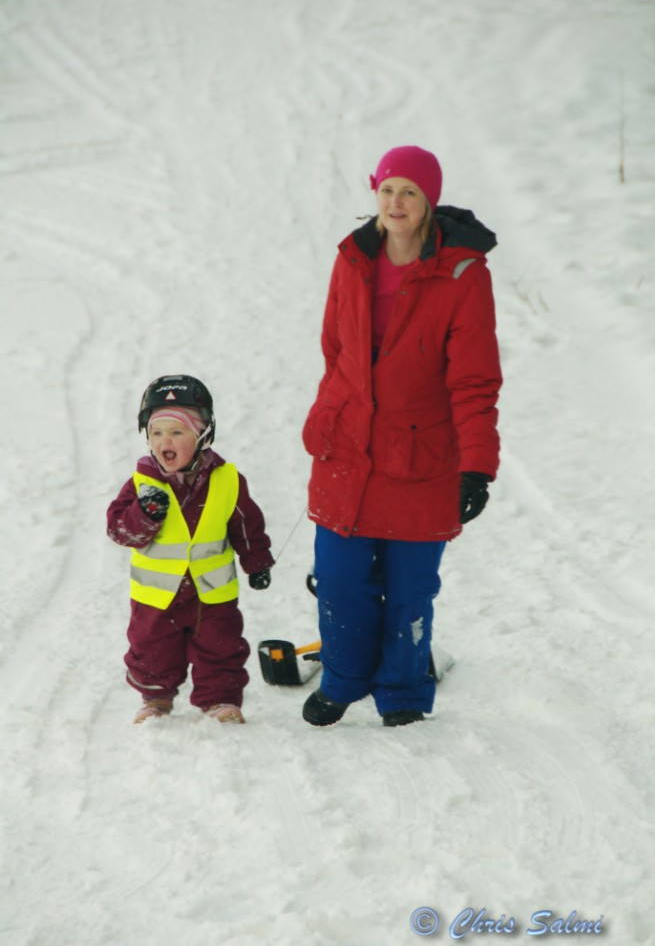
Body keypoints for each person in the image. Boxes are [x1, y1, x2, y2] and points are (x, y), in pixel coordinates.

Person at [301, 145, 502, 728]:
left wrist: (477, 466)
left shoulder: (464, 275)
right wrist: (331, 410)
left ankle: (404, 692)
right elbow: (334, 349)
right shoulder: (351, 260)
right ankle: (341, 681)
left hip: (421, 456)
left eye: (409, 192)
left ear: (429, 202)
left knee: (410, 590)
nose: (395, 203)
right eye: (387, 190)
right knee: (339, 580)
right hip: (348, 448)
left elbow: (474, 381)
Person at [107, 374, 274, 725]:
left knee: (220, 646)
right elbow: (119, 529)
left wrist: (256, 561)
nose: (164, 441)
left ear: (202, 435)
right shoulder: (142, 484)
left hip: (211, 592)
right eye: (156, 433)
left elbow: (246, 524)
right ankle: (155, 699)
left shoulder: (227, 480)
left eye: (177, 433)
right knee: (152, 649)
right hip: (157, 595)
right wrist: (144, 515)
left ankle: (221, 699)